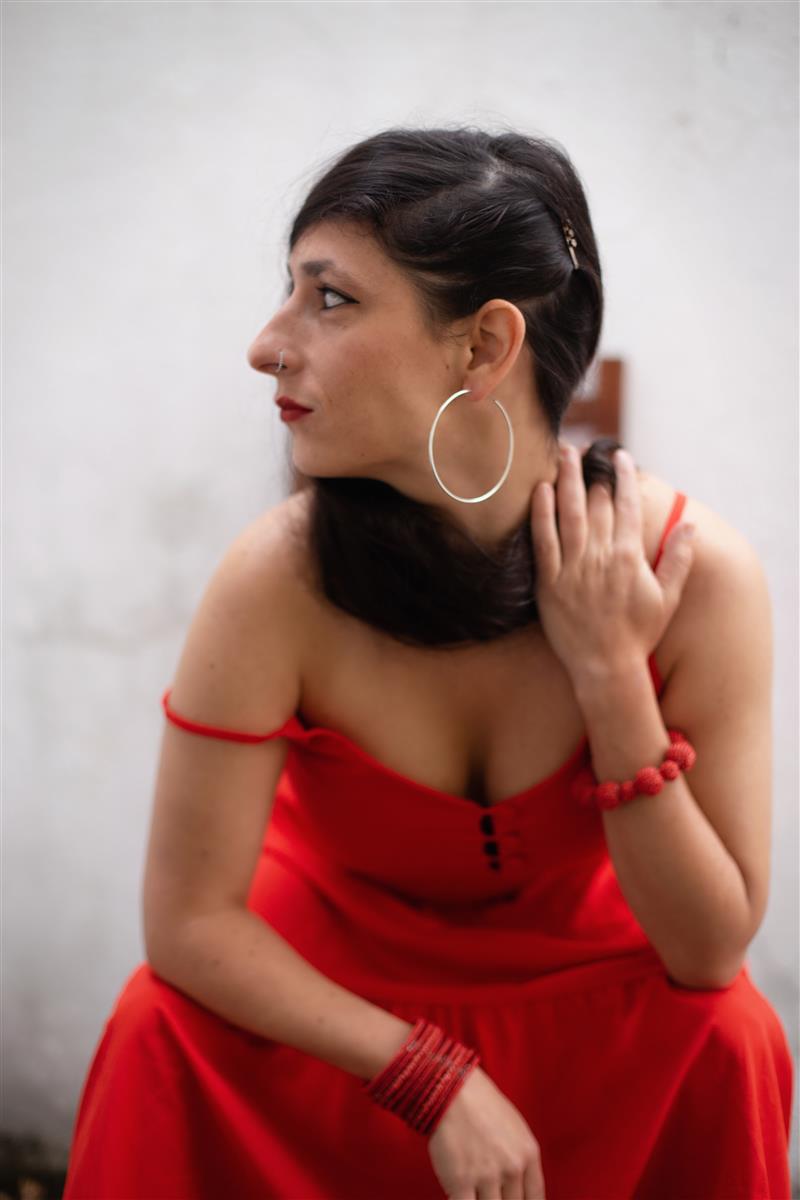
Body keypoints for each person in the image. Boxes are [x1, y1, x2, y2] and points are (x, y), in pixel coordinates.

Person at [63, 126, 793, 1200]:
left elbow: (706, 953)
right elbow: (187, 923)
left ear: (483, 346)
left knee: (728, 1032)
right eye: (289, 290)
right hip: (332, 997)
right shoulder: (276, 579)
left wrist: (608, 674)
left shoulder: (693, 575)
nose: (266, 345)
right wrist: (426, 1074)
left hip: (588, 991)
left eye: (330, 298)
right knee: (155, 1022)